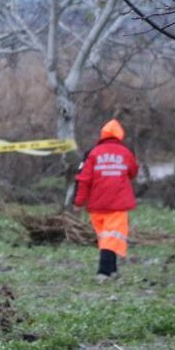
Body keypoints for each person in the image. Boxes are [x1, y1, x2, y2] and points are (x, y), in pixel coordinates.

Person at [74, 119, 138, 281]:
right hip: (118, 204)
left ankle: (112, 270)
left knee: (107, 238)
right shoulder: (125, 153)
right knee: (112, 238)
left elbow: (84, 179)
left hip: (97, 205)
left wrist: (79, 202)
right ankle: (103, 272)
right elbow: (133, 172)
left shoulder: (93, 153)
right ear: (120, 135)